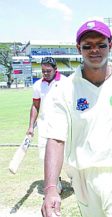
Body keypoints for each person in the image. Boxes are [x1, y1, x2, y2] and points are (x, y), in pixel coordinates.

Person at [41, 20, 112, 217]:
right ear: (79, 48)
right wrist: (51, 188)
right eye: (87, 46)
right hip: (83, 176)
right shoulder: (64, 89)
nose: (94, 50)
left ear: (110, 46)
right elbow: (55, 139)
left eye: (101, 45)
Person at [26, 57, 66, 193]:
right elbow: (35, 106)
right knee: (46, 156)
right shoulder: (38, 85)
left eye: (48, 71)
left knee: (68, 156)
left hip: (63, 125)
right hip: (44, 126)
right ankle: (55, 184)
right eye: (43, 71)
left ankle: (76, 181)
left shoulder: (66, 82)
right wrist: (31, 126)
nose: (46, 73)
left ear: (56, 69)